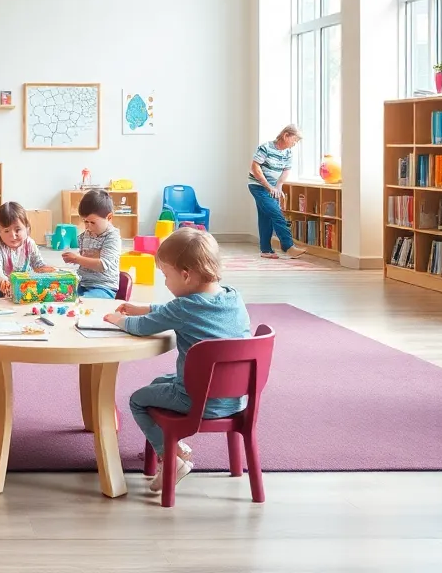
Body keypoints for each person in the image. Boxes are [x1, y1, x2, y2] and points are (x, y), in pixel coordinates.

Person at [103, 228, 251, 495]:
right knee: (160, 382)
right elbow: (173, 312)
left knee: (138, 399)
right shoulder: (233, 297)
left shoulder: (183, 308)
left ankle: (170, 457)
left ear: (186, 275)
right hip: (234, 399)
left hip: (195, 401)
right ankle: (173, 447)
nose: (165, 283)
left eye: (166, 276)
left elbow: (143, 327)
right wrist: (147, 307)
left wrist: (120, 320)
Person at [0, 202, 55, 298]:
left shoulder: (29, 243)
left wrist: (47, 269)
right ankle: (9, 293)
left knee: (41, 285)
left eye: (18, 230)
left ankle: (16, 293)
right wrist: (2, 279)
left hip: (22, 283)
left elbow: (38, 264)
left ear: (27, 229)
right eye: (6, 231)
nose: (12, 235)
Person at [248, 125, 306, 259]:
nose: (294, 144)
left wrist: (279, 186)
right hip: (257, 186)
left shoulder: (287, 152)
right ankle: (288, 246)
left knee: (265, 216)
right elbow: (255, 167)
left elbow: (286, 170)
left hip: (273, 188)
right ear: (286, 135)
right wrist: (269, 186)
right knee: (276, 213)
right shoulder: (265, 148)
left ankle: (266, 250)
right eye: (294, 140)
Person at [61, 189, 121, 298]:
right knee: (59, 294)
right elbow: (85, 258)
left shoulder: (112, 237)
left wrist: (77, 259)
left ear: (109, 217)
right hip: (82, 283)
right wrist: (74, 258)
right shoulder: (87, 234)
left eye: (93, 222)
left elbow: (102, 265)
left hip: (103, 287)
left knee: (82, 302)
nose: (88, 226)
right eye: (85, 221)